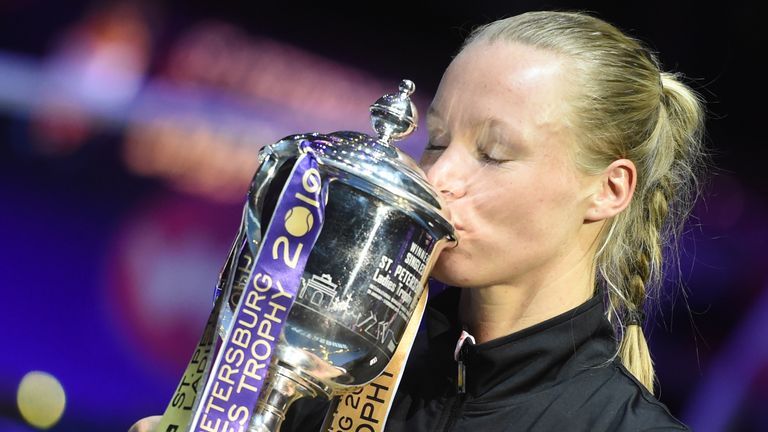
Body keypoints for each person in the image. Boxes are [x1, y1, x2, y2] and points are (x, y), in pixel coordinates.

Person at [131, 10, 705, 432]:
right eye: (435, 141)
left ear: (608, 189)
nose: (436, 178)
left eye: (494, 153)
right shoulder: (335, 368)